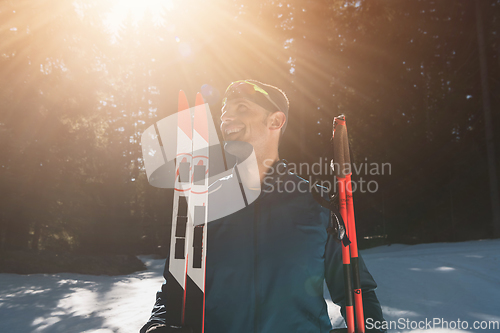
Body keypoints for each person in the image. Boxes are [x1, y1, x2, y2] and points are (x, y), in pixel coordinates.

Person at [141, 80, 386, 333]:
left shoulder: (319, 205)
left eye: (242, 108)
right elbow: (174, 292)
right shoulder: (203, 202)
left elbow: (357, 290)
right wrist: (156, 326)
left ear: (275, 121)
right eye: (224, 110)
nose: (226, 116)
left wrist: (372, 329)